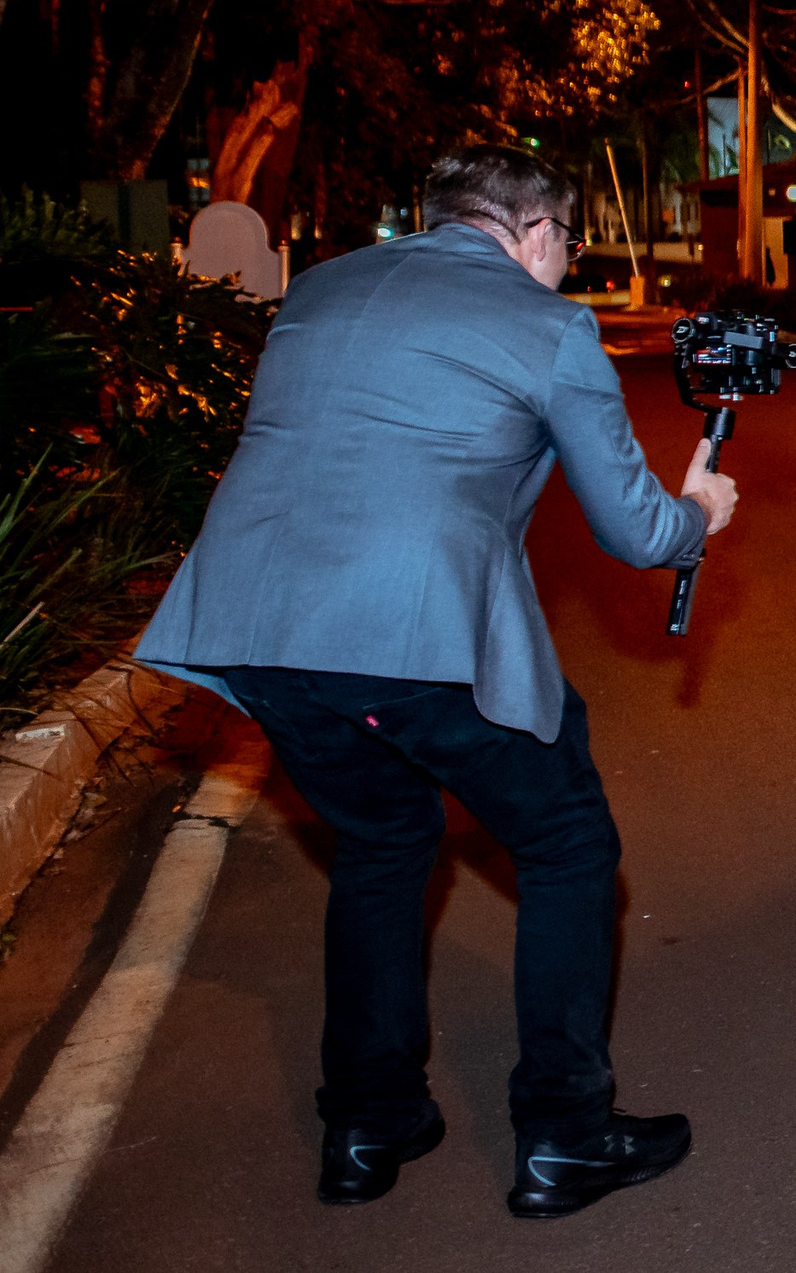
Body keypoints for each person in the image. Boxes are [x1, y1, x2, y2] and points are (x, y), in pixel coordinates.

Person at [136, 146, 736, 1219]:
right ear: (541, 231)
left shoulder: (319, 287)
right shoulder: (549, 324)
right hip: (410, 635)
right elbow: (637, 531)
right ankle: (563, 1134)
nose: (564, 265)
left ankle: (367, 1123)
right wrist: (701, 511)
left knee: (381, 840)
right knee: (565, 843)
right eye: (569, 245)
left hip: (256, 624)